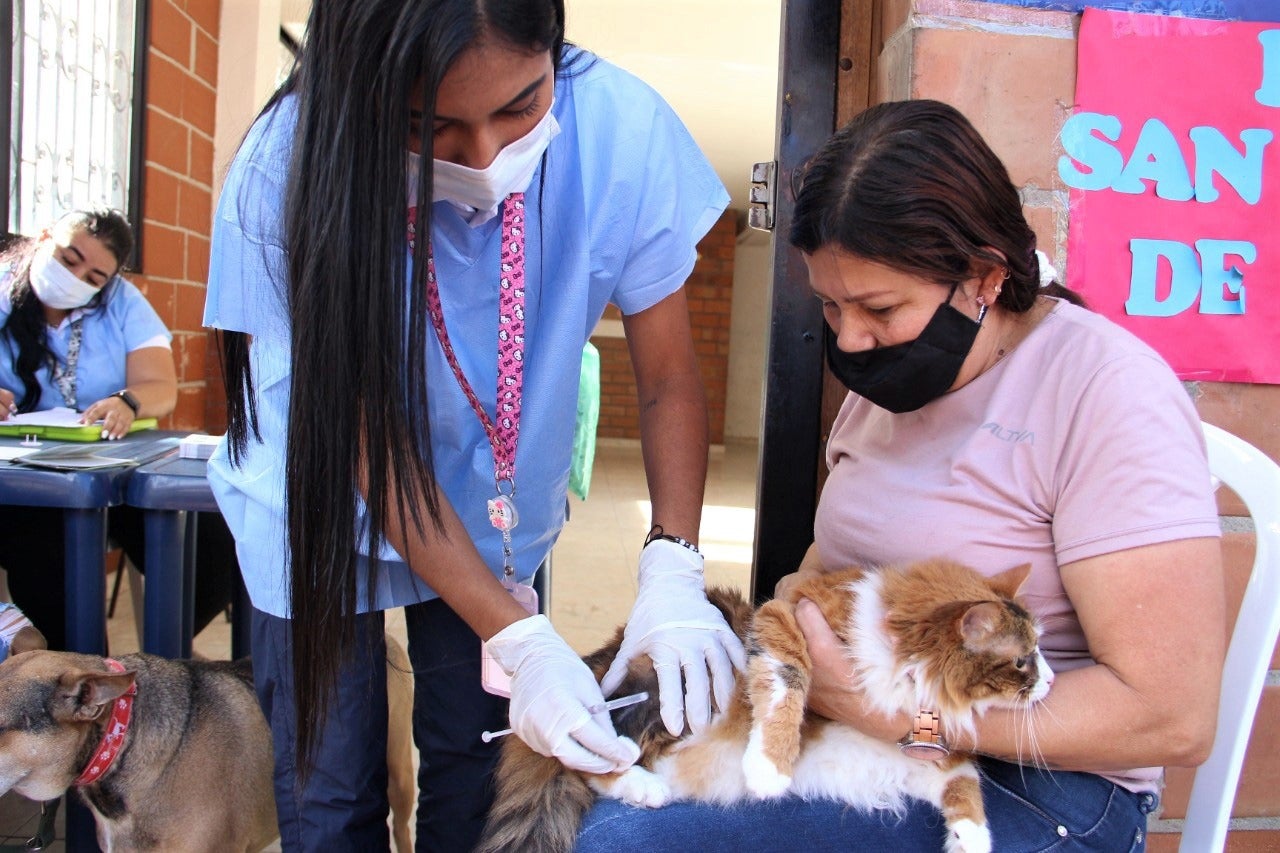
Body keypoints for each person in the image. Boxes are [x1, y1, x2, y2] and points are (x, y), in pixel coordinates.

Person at [575, 99, 1225, 852]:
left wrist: (901, 718)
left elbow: (1174, 715)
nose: (849, 337)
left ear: (983, 278)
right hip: (865, 721)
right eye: (829, 304)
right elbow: (819, 576)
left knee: (624, 844)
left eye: (878, 307)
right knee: (598, 773)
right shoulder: (892, 387)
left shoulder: (1106, 390)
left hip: (1039, 777)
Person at [205, 1, 744, 849]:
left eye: (521, 106)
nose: (487, 155)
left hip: (492, 505)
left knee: (484, 766)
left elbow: (671, 378)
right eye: (433, 124)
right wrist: (522, 639)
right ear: (366, 94)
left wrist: (672, 565)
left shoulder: (621, 134)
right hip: (316, 496)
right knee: (330, 787)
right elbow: (367, 450)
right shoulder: (287, 166)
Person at [0, 209, 236, 651]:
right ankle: (79, 680)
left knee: (212, 545)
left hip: (107, 468)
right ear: (46, 235)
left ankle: (158, 663)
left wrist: (127, 401)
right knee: (52, 552)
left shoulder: (121, 303)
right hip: (23, 485)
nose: (75, 278)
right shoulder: (4, 286)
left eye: (93, 276)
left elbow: (162, 388)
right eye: (69, 258)